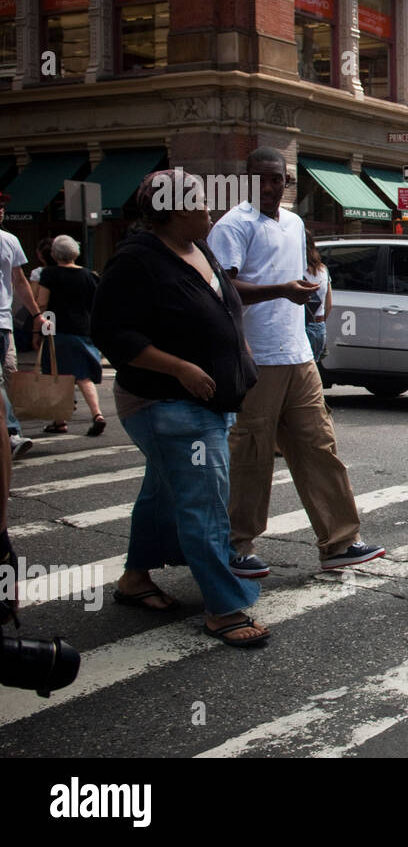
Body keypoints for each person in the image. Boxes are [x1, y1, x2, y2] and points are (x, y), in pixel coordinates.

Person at [91, 170, 267, 646]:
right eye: (199, 202)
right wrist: (179, 368)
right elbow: (112, 334)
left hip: (210, 401)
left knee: (164, 493)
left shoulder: (200, 249)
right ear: (169, 210)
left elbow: (226, 307)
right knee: (204, 503)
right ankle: (225, 609)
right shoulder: (136, 261)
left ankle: (135, 580)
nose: (209, 208)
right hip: (164, 401)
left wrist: (241, 352)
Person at [207, 146, 384, 577]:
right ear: (246, 179)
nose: (271, 186)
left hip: (297, 354)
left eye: (279, 179)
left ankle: (340, 541)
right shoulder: (233, 225)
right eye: (262, 178)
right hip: (255, 356)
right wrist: (281, 290)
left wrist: (300, 294)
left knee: (318, 445)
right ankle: (235, 544)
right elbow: (221, 292)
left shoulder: (295, 223)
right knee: (251, 453)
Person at [35, 236, 107, 436]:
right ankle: (97, 414)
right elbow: (97, 305)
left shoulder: (50, 274)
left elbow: (42, 303)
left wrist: (37, 329)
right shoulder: (89, 275)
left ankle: (59, 420)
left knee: (57, 376)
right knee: (83, 376)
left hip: (58, 331)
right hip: (83, 330)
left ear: (54, 253)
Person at [0, 194, 40, 460]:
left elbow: (20, 280)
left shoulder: (9, 240)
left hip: (3, 322)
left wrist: (36, 315)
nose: (1, 211)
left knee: (7, 376)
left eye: (2, 206)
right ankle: (12, 432)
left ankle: (10, 433)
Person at [304, 229, 331, 364]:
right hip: (319, 326)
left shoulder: (296, 268)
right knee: (312, 367)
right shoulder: (323, 269)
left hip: (302, 326)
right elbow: (329, 305)